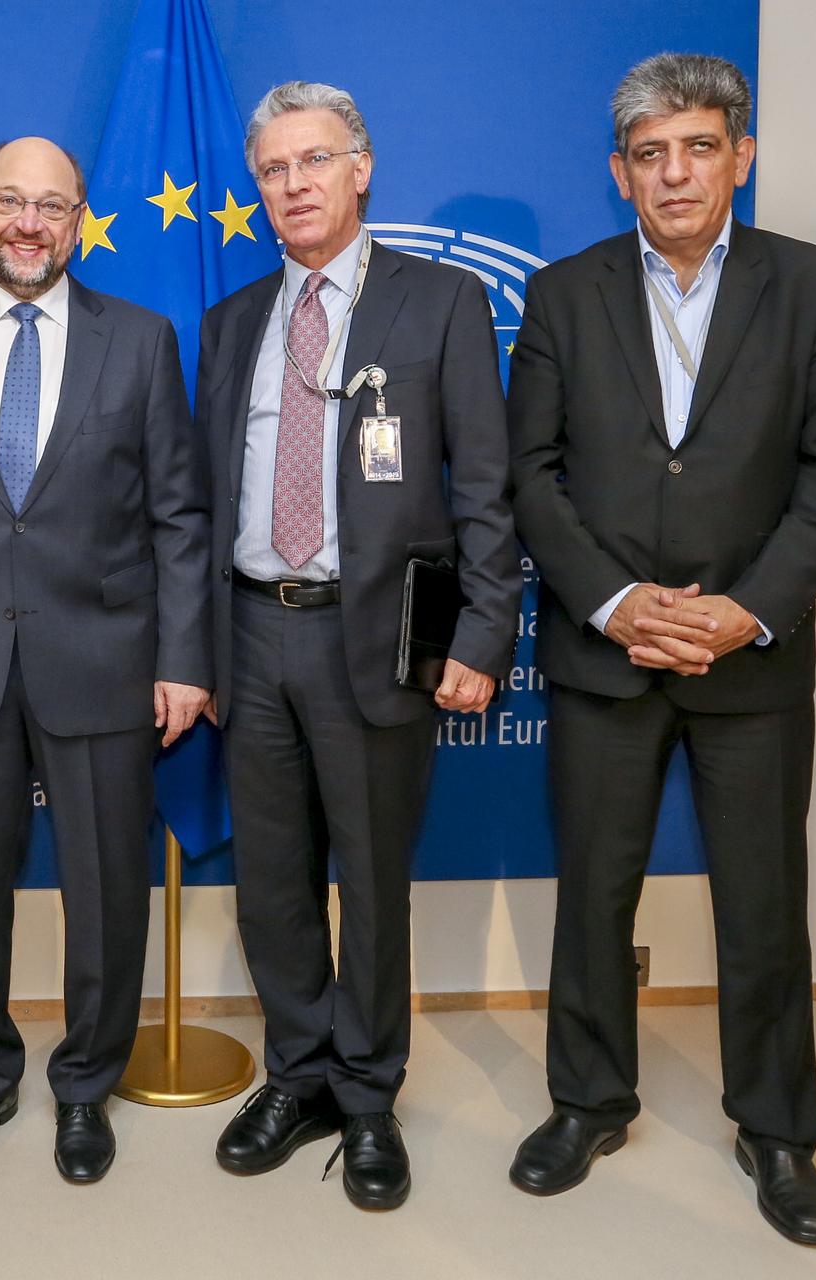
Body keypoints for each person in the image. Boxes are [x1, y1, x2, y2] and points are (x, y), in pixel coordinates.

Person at [506, 53, 816, 1247]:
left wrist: (748, 605)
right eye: (652, 154)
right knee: (593, 891)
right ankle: (587, 1101)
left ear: (740, 156)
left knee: (765, 906)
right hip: (605, 651)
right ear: (622, 175)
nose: (677, 173)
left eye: (700, 146)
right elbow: (530, 476)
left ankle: (776, 1131)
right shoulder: (562, 295)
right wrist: (614, 600)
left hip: (748, 657)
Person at [197, 82, 520, 1210]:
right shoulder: (234, 321)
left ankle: (370, 1093)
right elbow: (200, 500)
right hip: (249, 628)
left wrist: (482, 631)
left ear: (362, 168)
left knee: (372, 879)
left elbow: (485, 485)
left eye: (314, 162)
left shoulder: (442, 303)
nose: (293, 185)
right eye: (274, 169)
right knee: (273, 880)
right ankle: (300, 1074)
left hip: (379, 638)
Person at [0, 136, 211, 1184]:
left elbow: (178, 518)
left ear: (77, 219)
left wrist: (186, 657)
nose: (29, 221)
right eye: (9, 201)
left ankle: (83, 1087)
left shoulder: (142, 340)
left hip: (104, 658)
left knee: (106, 894)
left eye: (51, 204)